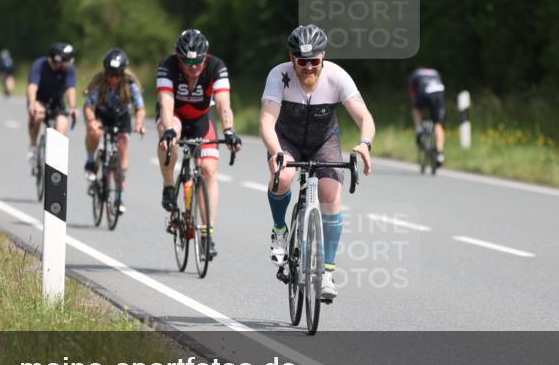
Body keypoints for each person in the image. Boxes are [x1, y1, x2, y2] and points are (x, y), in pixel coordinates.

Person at [259, 23, 374, 302]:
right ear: (292, 58)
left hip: (324, 142)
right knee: (283, 177)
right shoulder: (279, 75)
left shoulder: (337, 76)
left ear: (323, 57)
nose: (309, 67)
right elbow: (267, 121)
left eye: (314, 61)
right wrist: (276, 152)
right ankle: (279, 231)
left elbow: (364, 117)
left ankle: (327, 272)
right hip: (286, 141)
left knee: (331, 194)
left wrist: (365, 143)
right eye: (302, 62)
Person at [156, 29, 242, 260]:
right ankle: (168, 185)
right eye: (187, 61)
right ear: (178, 57)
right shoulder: (168, 66)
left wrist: (229, 131)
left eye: (198, 61)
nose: (193, 66)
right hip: (174, 115)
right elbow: (166, 102)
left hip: (201, 119)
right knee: (169, 139)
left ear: (206, 56)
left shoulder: (216, 66)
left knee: (209, 169)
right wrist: (169, 130)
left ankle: (207, 233)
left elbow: (223, 103)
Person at [83, 48, 146, 213]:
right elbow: (89, 107)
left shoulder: (130, 84)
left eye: (117, 75)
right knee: (94, 132)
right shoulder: (99, 83)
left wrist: (139, 123)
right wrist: (92, 121)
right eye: (110, 74)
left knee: (122, 147)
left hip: (121, 118)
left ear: (122, 73)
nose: (113, 78)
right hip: (102, 116)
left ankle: (119, 196)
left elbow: (140, 108)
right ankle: (90, 160)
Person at [26, 42, 77, 166]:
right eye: (66, 62)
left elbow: (70, 89)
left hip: (57, 102)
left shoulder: (68, 70)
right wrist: (32, 103)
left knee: (62, 123)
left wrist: (72, 107)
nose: (68, 64)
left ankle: (55, 160)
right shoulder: (40, 65)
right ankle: (33, 146)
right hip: (39, 99)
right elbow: (32, 86)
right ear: (57, 60)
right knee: (37, 115)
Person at [408, 67, 446, 166]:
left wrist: (416, 103)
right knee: (438, 124)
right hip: (438, 93)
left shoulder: (415, 74)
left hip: (423, 92)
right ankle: (440, 153)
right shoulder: (435, 72)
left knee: (416, 109)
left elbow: (413, 93)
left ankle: (419, 128)